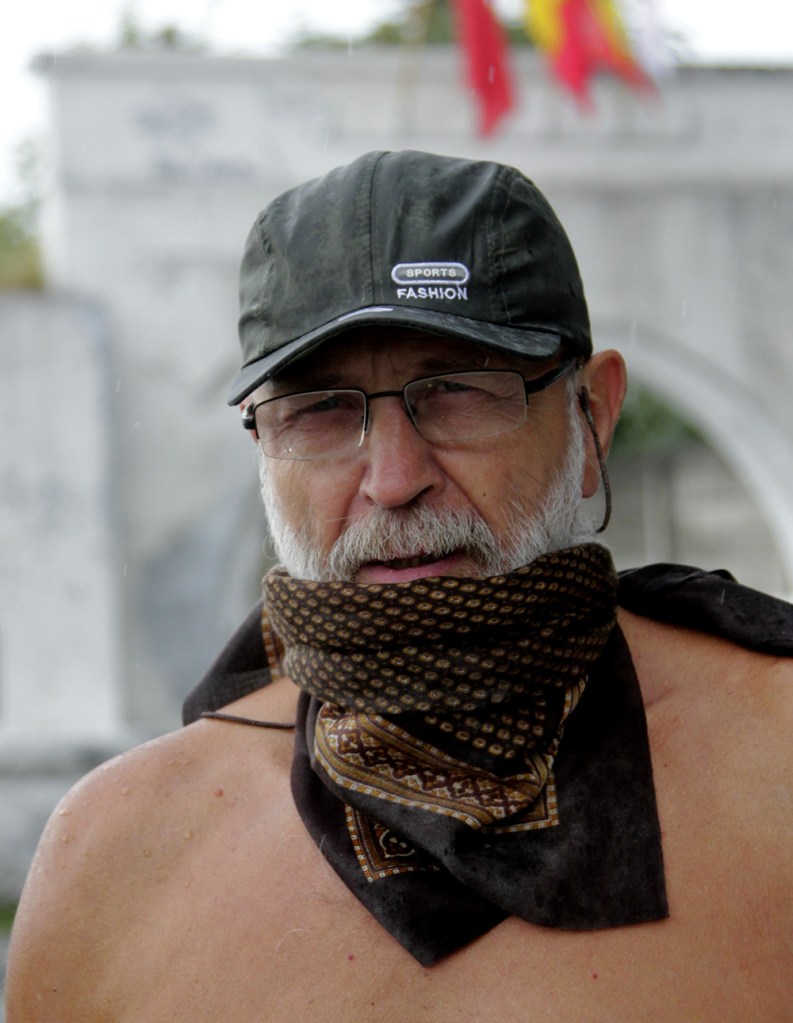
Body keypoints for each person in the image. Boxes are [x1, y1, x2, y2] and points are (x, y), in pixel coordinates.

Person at [6, 150, 793, 1022]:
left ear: (591, 417)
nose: (392, 479)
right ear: (262, 443)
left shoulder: (775, 759)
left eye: (456, 390)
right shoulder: (115, 857)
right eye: (320, 410)